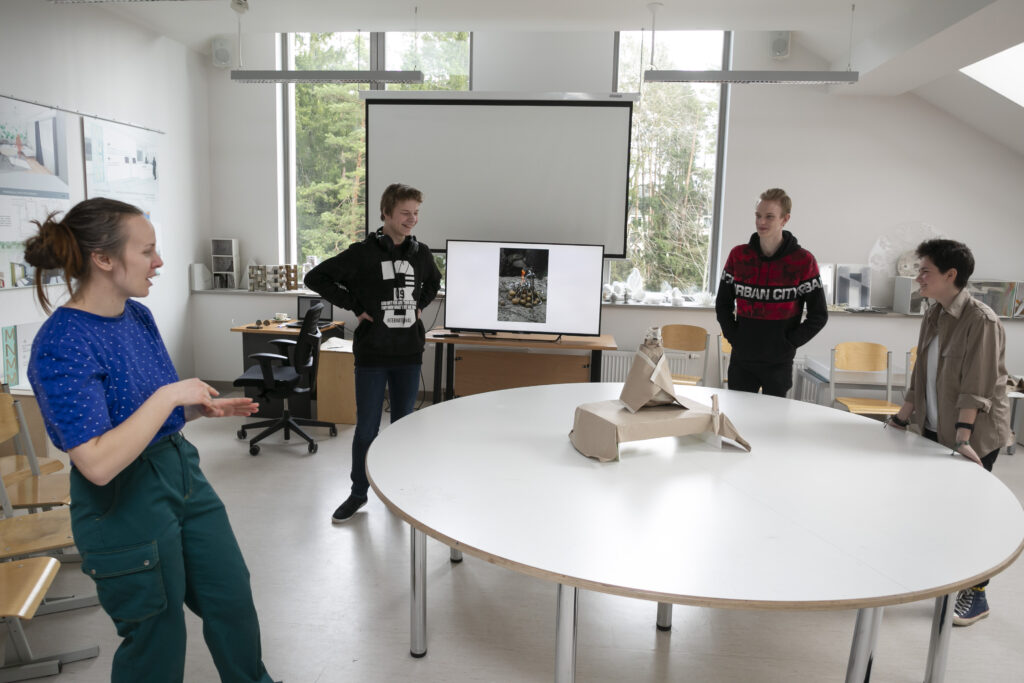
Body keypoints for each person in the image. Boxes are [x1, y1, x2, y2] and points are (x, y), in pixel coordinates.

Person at [24, 198, 275, 683]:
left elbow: (145, 415)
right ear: (103, 258)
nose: (158, 262)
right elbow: (98, 463)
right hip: (122, 499)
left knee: (230, 598)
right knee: (157, 634)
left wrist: (193, 409)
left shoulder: (136, 316)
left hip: (181, 473)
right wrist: (169, 397)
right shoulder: (61, 342)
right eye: (147, 251)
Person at [886, 238, 1010, 627]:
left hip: (974, 435)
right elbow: (921, 374)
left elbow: (977, 386)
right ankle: (942, 578)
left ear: (950, 275)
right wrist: (902, 419)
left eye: (925, 271)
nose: (918, 278)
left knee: (968, 515)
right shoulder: (934, 314)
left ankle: (977, 594)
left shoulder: (981, 321)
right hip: (936, 427)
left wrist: (962, 440)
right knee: (935, 510)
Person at [304, 183, 441, 523]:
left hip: (408, 354)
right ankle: (358, 493)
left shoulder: (421, 253)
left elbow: (433, 282)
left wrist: (420, 306)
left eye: (416, 213)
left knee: (403, 426)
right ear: (386, 213)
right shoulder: (362, 253)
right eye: (405, 213)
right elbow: (316, 277)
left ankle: (398, 492)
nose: (412, 219)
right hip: (372, 355)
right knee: (367, 429)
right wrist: (354, 305)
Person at [715, 188, 828, 397]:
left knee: (774, 416)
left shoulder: (803, 261)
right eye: (758, 215)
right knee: (737, 414)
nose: (761, 222)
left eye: (769, 216)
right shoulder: (739, 256)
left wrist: (789, 342)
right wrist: (735, 338)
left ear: (785, 219)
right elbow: (722, 304)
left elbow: (819, 315)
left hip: (779, 362)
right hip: (742, 359)